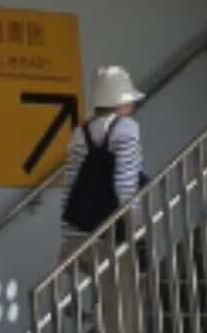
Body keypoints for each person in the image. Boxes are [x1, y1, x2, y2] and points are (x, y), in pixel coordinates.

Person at [60, 65, 145, 244]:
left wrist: (68, 238)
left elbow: (70, 186)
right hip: (112, 235)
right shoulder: (126, 128)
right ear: (121, 103)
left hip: (80, 236)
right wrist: (136, 227)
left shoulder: (79, 133)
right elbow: (125, 183)